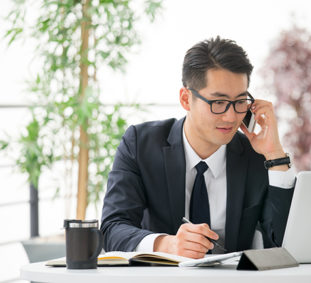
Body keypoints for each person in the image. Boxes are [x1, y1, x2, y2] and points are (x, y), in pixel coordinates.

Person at [101, 36, 295, 259]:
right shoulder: (140, 144)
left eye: (240, 101)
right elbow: (112, 229)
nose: (231, 117)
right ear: (186, 99)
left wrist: (275, 155)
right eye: (218, 102)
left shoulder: (256, 155)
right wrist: (167, 244)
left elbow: (285, 242)